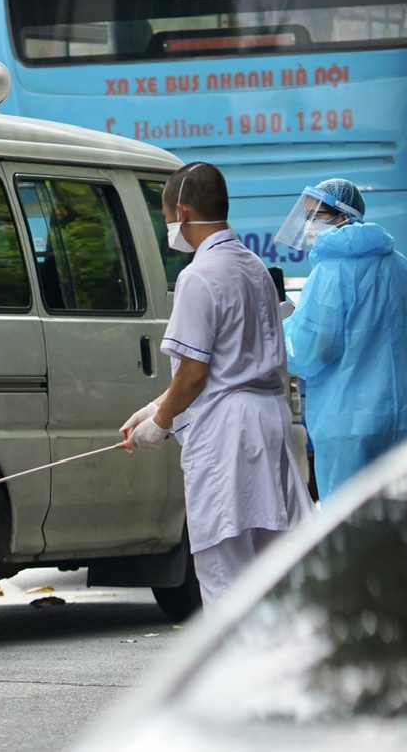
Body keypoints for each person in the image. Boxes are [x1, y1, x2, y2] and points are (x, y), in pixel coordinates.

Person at [120, 162, 313, 608]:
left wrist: (162, 422)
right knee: (267, 567)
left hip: (226, 432)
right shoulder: (254, 267)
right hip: (267, 423)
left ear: (183, 213)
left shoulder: (198, 276)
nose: (170, 227)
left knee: (224, 565)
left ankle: (236, 671)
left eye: (168, 217)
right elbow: (232, 358)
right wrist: (155, 407)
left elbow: (194, 372)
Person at [274, 178, 407, 500]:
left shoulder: (331, 272)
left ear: (342, 215)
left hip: (348, 422)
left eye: (313, 214)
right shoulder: (402, 266)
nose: (307, 224)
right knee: (403, 523)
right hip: (406, 418)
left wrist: (284, 325)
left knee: (351, 530)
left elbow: (311, 349)